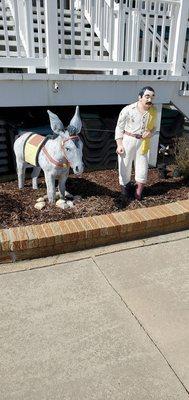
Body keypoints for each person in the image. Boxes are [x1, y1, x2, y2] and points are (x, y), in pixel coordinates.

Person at [115, 86, 157, 203]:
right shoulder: (128, 109)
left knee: (142, 167)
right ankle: (125, 193)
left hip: (143, 143)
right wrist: (119, 144)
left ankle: (138, 194)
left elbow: (154, 127)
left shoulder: (153, 111)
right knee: (125, 166)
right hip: (128, 140)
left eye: (152, 97)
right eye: (147, 96)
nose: (150, 99)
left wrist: (150, 133)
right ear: (140, 97)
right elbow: (119, 127)